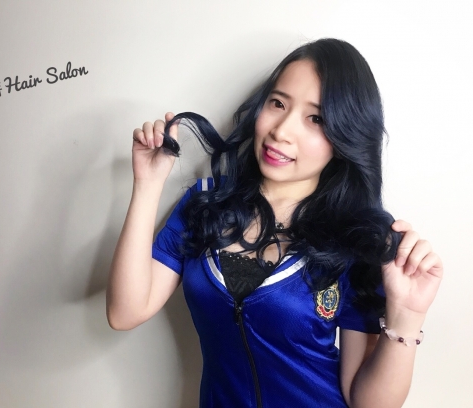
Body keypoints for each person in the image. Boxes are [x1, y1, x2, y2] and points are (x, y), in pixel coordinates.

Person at [106, 38, 443, 408]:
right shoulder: (205, 205)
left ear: (345, 135)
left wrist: (407, 315)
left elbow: (367, 402)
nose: (281, 131)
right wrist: (148, 185)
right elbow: (125, 312)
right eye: (278, 103)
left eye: (316, 119)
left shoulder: (357, 238)